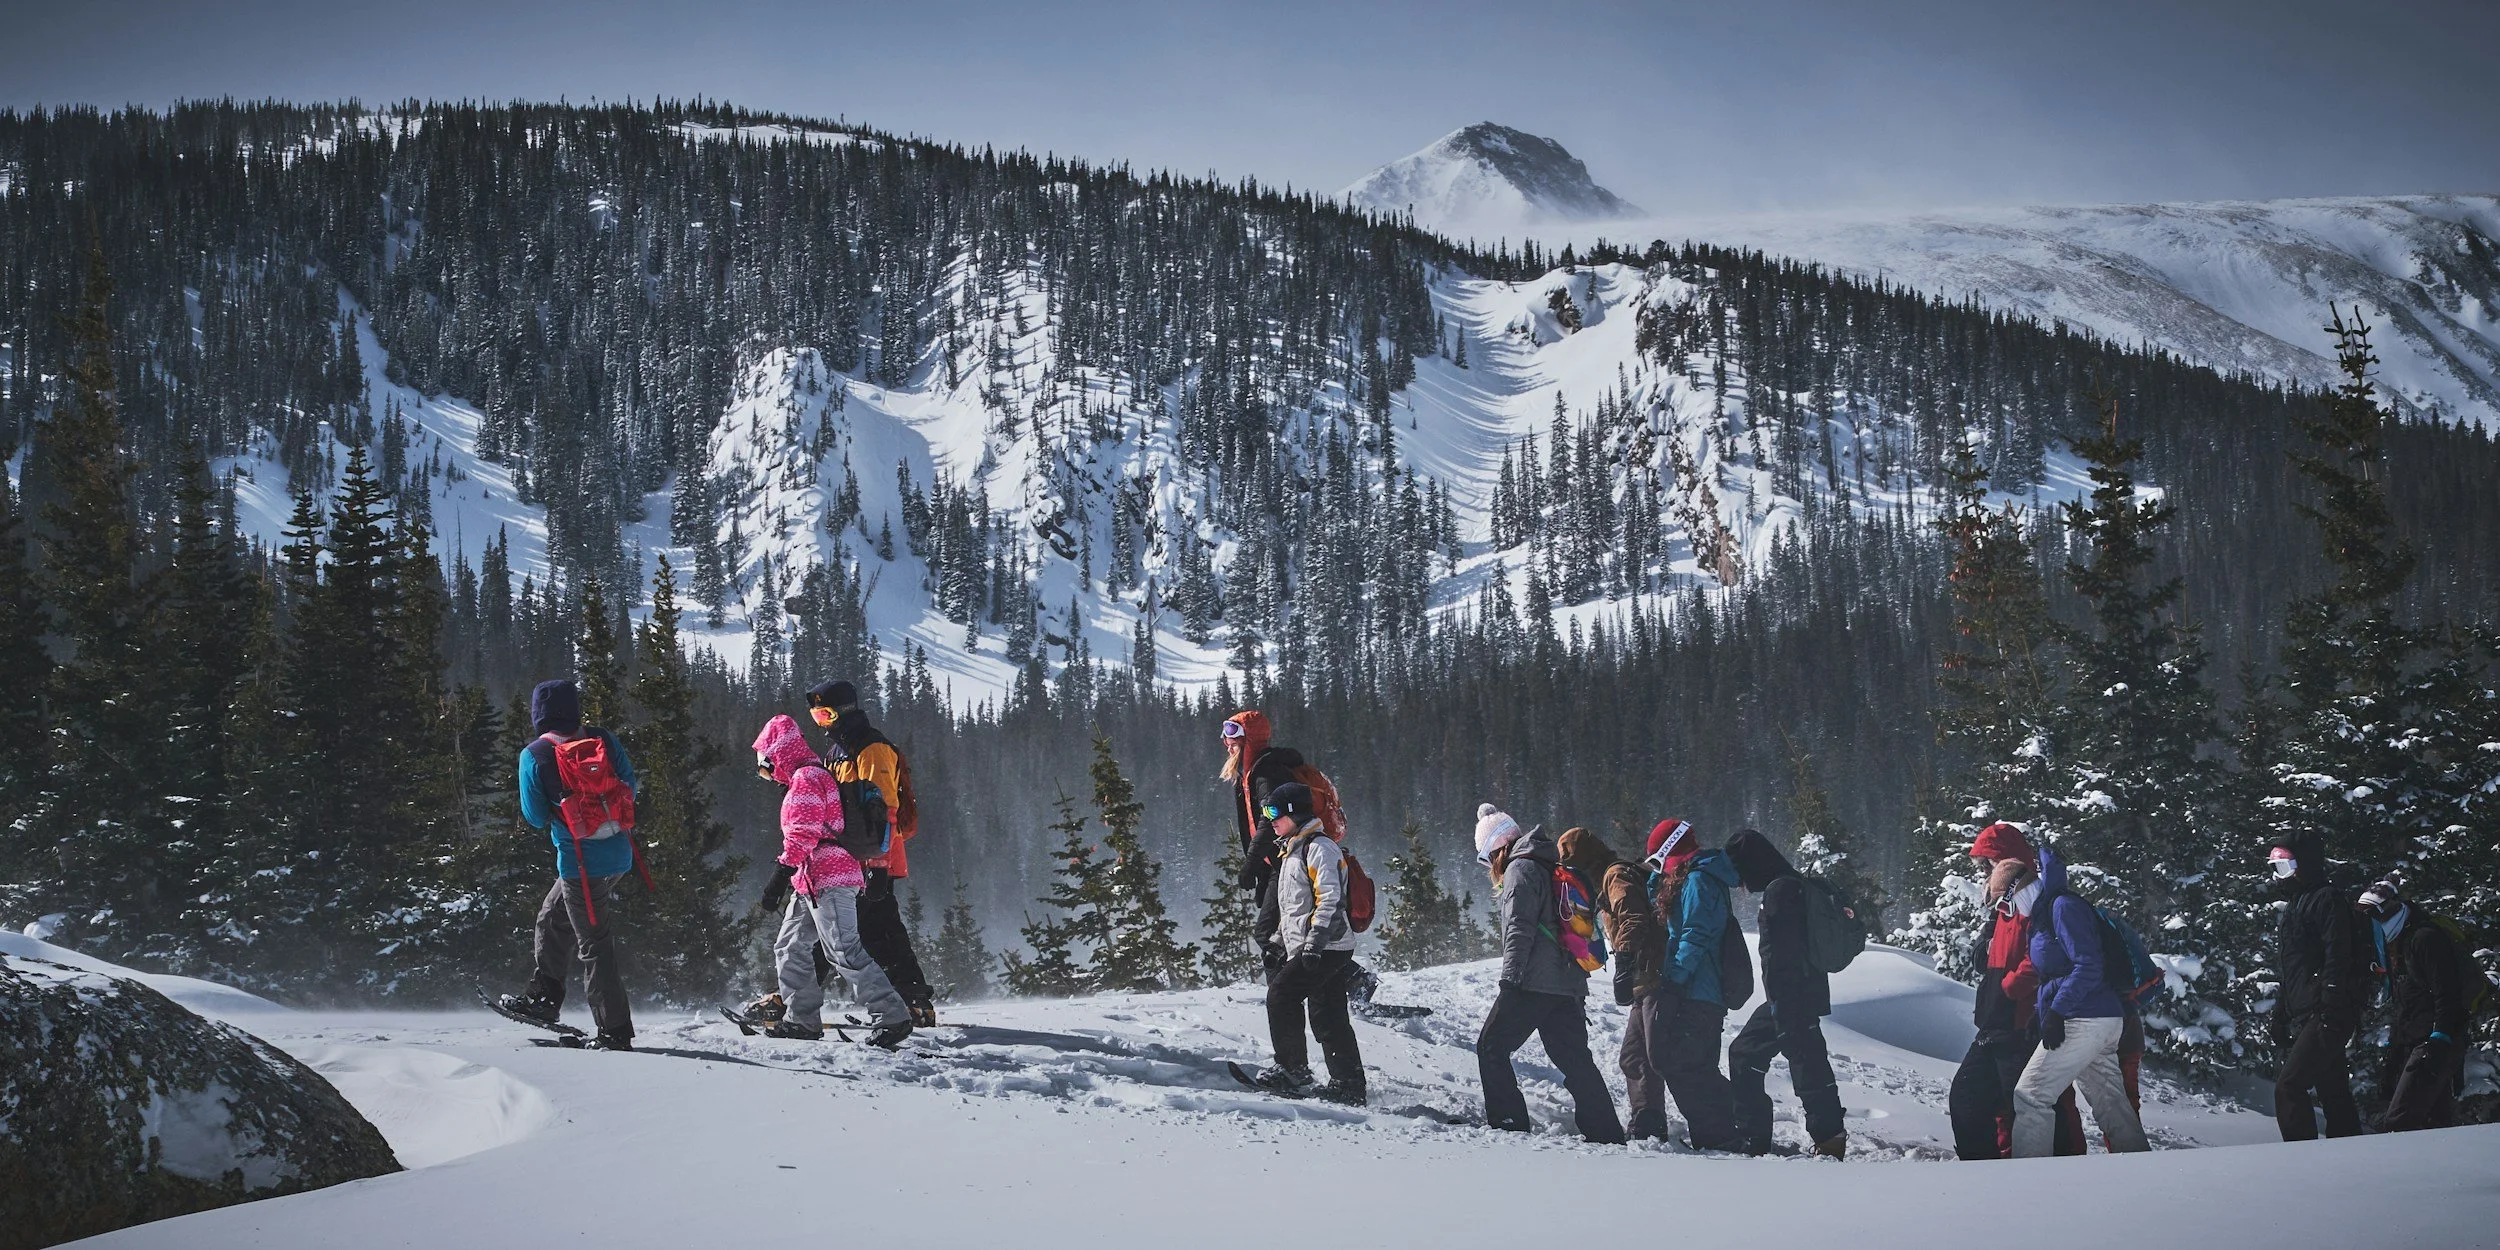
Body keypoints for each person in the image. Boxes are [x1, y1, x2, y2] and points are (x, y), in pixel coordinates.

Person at [495, 679, 641, 1050]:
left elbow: (534, 816)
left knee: (594, 943)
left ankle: (615, 1031)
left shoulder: (536, 754)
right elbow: (630, 786)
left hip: (580, 864)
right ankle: (543, 998)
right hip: (619, 856)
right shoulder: (603, 739)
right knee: (552, 916)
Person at [752, 714, 913, 1049]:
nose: (766, 776)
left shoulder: (808, 778)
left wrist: (779, 874)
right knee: (790, 946)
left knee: (843, 950)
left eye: (765, 768)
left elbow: (805, 833)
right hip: (809, 880)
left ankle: (892, 1015)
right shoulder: (806, 776)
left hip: (831, 877)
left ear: (777, 755)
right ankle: (802, 1020)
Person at [1472, 824, 1627, 1143]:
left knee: (1491, 1047)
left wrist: (1510, 981)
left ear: (1498, 848)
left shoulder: (1519, 868)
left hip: (1534, 984)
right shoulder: (1548, 862)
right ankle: (1606, 1133)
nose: (1490, 868)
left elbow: (1519, 928)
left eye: (1487, 858)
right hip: (1568, 983)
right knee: (1575, 1061)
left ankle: (1508, 1126)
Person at [1945, 822, 2086, 1160]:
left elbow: (2044, 955)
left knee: (2025, 1103)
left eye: (1986, 861)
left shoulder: (2032, 899)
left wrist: (2009, 989)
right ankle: (1983, 1170)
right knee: (1968, 1097)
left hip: (2023, 1021)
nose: (1982, 869)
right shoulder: (2005, 904)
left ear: (2002, 859)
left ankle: (2060, 1170)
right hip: (1998, 1021)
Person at [809, 679, 935, 1027]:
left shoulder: (871, 748)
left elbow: (885, 811)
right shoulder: (838, 751)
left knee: (849, 929)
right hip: (846, 858)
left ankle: (794, 997)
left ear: (845, 711)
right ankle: (912, 1000)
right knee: (868, 929)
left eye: (827, 714)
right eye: (817, 717)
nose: (824, 723)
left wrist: (878, 866)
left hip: (874, 857)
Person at [2010, 845, 2150, 1156]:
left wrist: (2057, 1012)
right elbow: (2057, 972)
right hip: (2097, 1018)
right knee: (2110, 1102)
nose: (2011, 914)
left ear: (2018, 892)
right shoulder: (2045, 916)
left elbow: (2089, 965)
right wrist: (2042, 1012)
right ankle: (2140, 1165)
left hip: (2085, 1018)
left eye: (2007, 905)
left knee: (2031, 1095)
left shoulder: (2062, 908)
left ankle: (2025, 1180)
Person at [1617, 819, 1743, 1150]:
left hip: (1699, 991)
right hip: (1690, 990)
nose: (1658, 869)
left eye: (1660, 860)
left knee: (1684, 1063)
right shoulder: (1686, 880)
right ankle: (1721, 1130)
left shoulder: (1700, 881)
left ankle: (1724, 1132)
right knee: (1679, 1061)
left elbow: (1695, 935)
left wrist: (1674, 978)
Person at [1723, 829, 1846, 1158]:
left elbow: (1781, 954)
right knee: (1765, 1057)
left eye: (1739, 873)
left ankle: (1822, 1142)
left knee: (1804, 1066)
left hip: (1791, 996)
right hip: (1796, 992)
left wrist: (1781, 1004)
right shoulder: (1791, 885)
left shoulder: (1781, 892)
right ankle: (1824, 1139)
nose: (1739, 883)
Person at [1257, 781, 1364, 1102]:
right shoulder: (1293, 850)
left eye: (1273, 811)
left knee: (1281, 996)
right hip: (1317, 946)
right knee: (1328, 1014)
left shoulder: (1319, 848)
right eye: (1265, 811)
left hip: (1326, 947)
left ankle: (1293, 1072)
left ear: (1294, 811)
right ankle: (1348, 1085)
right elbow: (1294, 910)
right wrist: (1277, 943)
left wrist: (1314, 944)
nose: (1268, 819)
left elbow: (1330, 900)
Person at [2269, 834, 2365, 1141]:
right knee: (2333, 1090)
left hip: (2326, 1010)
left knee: (2290, 1086)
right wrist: (2281, 1013)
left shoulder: (2326, 899)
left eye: (2285, 866)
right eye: (2276, 867)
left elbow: (2338, 953)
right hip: (2307, 1010)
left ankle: (2303, 1164)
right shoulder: (2297, 904)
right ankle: (2348, 1158)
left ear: (2304, 864)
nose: (2280, 875)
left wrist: (2330, 1003)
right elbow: (2294, 966)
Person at [2356, 880, 2471, 1132]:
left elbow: (2447, 992)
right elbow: (2407, 1003)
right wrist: (2396, 1048)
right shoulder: (2398, 943)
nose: (2371, 922)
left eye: (2374, 914)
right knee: (2432, 1122)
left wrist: (2439, 1039)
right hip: (2416, 1039)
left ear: (2390, 912)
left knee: (2400, 1122)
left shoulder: (2425, 938)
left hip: (2435, 1040)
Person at [1221, 710, 1313, 982]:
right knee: (1283, 934)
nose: (1227, 742)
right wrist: (1262, 871)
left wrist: (1251, 866)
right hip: (1279, 864)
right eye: (1226, 734)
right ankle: (1341, 980)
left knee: (1269, 934)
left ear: (1250, 739)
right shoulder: (1251, 774)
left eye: (1233, 734)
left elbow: (1267, 820)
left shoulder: (1266, 774)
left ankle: (1285, 993)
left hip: (1292, 862)